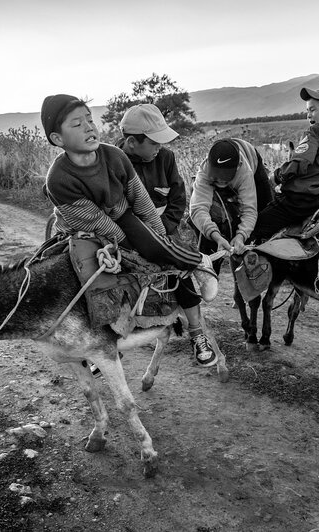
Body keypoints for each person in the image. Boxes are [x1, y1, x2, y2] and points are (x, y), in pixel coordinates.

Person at [40, 94, 220, 367]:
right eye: (77, 124)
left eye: (90, 119)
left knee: (159, 253)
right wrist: (131, 248)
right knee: (82, 277)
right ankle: (98, 341)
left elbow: (143, 202)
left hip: (127, 216)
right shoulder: (59, 178)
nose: (89, 127)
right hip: (83, 228)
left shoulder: (116, 157)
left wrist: (158, 237)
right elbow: (97, 223)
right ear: (57, 138)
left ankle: (197, 269)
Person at [249, 86, 319, 243]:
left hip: (298, 203)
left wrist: (276, 177)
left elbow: (300, 162)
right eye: (307, 110)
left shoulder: (316, 131)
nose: (308, 115)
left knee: (255, 228)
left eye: (313, 110)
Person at [189, 138, 274, 272]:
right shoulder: (204, 170)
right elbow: (198, 209)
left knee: (264, 215)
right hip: (227, 162)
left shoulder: (245, 172)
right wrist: (216, 236)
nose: (221, 179)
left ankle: (252, 265)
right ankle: (212, 269)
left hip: (251, 157)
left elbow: (249, 210)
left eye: (225, 176)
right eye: (216, 176)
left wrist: (241, 235)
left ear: (238, 167)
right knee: (212, 219)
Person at [117, 103, 187, 237]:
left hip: (166, 229)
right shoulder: (114, 164)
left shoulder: (166, 157)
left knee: (180, 250)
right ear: (131, 142)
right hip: (132, 235)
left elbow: (178, 198)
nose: (159, 147)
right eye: (154, 142)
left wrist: (163, 227)